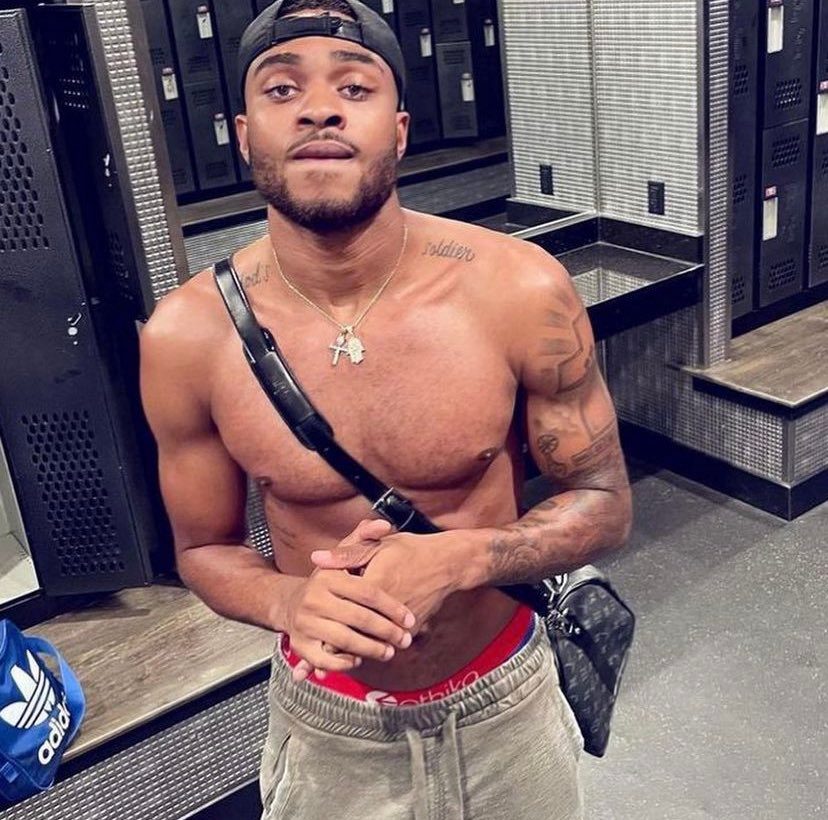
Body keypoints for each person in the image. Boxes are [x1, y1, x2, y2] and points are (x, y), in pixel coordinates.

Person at [138, 1, 633, 817]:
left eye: (354, 87)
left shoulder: (518, 288)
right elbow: (202, 549)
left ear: (399, 132)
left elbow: (604, 502)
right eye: (282, 88)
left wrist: (462, 558)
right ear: (244, 135)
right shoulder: (186, 337)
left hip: (506, 709)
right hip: (329, 733)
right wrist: (287, 601)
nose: (318, 108)